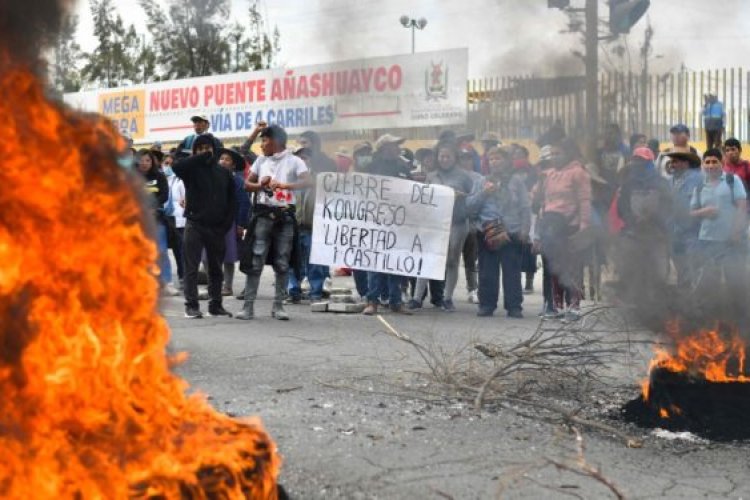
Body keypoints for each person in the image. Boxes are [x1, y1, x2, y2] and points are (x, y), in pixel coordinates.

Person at [237, 125, 310, 321]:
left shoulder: (295, 161)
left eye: (265, 140)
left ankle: (278, 306)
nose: (262, 145)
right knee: (256, 259)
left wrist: (286, 185)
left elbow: (308, 181)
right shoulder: (260, 161)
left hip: (285, 216)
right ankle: (248, 307)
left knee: (282, 260)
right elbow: (247, 185)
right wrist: (260, 185)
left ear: (276, 141)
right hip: (262, 215)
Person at [173, 134, 237, 319]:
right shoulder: (190, 170)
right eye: (199, 148)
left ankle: (215, 305)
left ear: (214, 149)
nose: (204, 151)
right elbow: (177, 166)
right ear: (194, 151)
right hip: (194, 224)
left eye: (207, 148)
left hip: (217, 227)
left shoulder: (223, 172)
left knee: (216, 268)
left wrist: (225, 224)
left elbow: (231, 201)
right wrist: (200, 157)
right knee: (191, 267)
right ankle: (191, 306)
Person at [412, 141, 476, 312]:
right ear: (437, 157)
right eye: (442, 156)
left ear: (454, 158)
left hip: (458, 223)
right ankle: (417, 298)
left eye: (448, 156)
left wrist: (462, 196)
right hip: (435, 223)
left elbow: (474, 198)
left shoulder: (464, 177)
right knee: (428, 257)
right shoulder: (431, 176)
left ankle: (447, 298)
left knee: (453, 261)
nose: (445, 159)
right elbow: (423, 199)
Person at [534, 138, 592, 322]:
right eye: (552, 154)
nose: (554, 157)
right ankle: (557, 306)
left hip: (571, 227)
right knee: (554, 267)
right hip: (551, 227)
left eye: (558, 153)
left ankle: (574, 308)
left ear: (568, 154)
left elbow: (584, 200)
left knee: (573, 268)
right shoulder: (549, 175)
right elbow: (543, 201)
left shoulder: (578, 173)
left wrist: (583, 227)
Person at [469, 146, 531, 318]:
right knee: (487, 272)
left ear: (507, 161)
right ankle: (487, 305)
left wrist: (525, 229)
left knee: (512, 272)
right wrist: (483, 193)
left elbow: (525, 207)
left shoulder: (516, 181)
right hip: (488, 233)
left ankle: (514, 307)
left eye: (498, 158)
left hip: (511, 232)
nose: (495, 162)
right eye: (491, 159)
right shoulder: (481, 182)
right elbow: (470, 206)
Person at [690, 148, 747, 322]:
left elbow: (742, 206)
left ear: (721, 163)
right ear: (703, 165)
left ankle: (740, 318)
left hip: (730, 241)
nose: (711, 165)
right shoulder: (700, 186)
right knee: (709, 281)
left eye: (714, 161)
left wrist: (736, 232)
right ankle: (712, 318)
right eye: (707, 162)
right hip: (706, 241)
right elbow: (691, 213)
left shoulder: (732, 180)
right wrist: (704, 211)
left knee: (734, 279)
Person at [614, 147, 673, 315]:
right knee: (631, 267)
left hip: (657, 234)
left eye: (641, 160)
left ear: (649, 163)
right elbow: (622, 207)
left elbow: (668, 206)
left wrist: (652, 219)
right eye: (635, 160)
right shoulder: (628, 184)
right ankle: (634, 305)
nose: (637, 164)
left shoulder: (662, 183)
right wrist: (633, 221)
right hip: (633, 233)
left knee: (659, 272)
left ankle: (658, 307)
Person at [362, 134, 412, 315]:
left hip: (398, 221)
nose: (398, 148)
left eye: (398, 145)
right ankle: (372, 301)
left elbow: (410, 190)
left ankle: (396, 301)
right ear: (383, 148)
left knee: (396, 263)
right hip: (376, 220)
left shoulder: (403, 166)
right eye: (394, 145)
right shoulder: (371, 166)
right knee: (374, 263)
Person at [286, 146, 328, 303]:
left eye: (306, 157)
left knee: (314, 263)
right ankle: (293, 292)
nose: (303, 160)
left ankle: (315, 293)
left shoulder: (320, 180)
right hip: (292, 228)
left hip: (313, 228)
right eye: (299, 158)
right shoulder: (288, 180)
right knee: (292, 262)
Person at [136, 149, 175, 295]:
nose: (144, 163)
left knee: (161, 251)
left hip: (156, 218)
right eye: (141, 160)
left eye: (148, 160)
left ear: (152, 162)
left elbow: (164, 195)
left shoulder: (159, 176)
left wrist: (152, 206)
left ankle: (167, 282)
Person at [665, 147, 703, 289]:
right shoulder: (669, 181)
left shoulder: (698, 178)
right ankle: (684, 296)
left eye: (675, 162)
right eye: (672, 162)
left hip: (692, 229)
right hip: (673, 229)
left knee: (692, 265)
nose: (672, 165)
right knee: (680, 266)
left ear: (685, 163)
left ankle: (693, 299)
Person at [216, 147, 248, 296]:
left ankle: (227, 286)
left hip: (231, 222)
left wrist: (240, 224)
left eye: (227, 159)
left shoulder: (237, 181)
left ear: (233, 165)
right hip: (213, 222)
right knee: (211, 255)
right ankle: (215, 284)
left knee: (228, 256)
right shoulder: (212, 179)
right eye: (221, 158)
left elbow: (244, 202)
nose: (223, 161)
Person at [511, 144, 539, 293]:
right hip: (515, 213)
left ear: (526, 157)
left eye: (520, 156)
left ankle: (529, 280)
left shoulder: (533, 171)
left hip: (531, 211)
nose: (517, 159)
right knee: (516, 246)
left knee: (529, 245)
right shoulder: (510, 172)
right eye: (515, 156)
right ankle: (516, 281)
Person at [163, 153, 186, 290]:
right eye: (166, 163)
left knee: (179, 250)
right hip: (165, 217)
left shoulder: (180, 180)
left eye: (171, 164)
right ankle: (166, 281)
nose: (168, 166)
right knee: (163, 250)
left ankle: (183, 277)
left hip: (178, 218)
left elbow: (185, 199)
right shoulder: (162, 180)